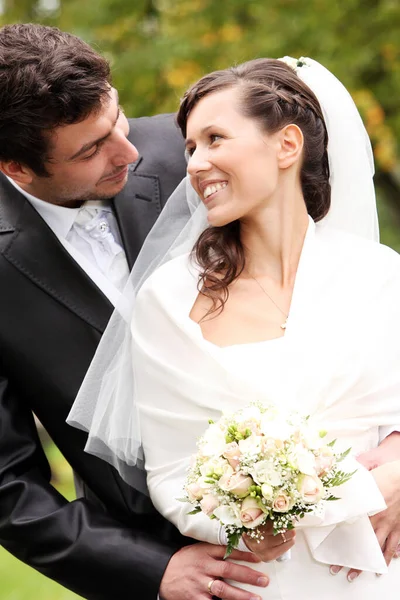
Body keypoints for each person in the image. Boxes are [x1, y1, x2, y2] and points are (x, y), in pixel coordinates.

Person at [69, 57, 400, 599]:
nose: (197, 163)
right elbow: (172, 474)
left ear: (287, 145)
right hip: (264, 579)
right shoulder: (170, 301)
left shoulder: (381, 274)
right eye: (191, 148)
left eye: (215, 138)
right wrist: (240, 521)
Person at [0, 23, 269, 600]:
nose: (130, 150)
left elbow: (343, 301)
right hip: (169, 563)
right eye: (91, 149)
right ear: (16, 169)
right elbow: (7, 484)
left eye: (115, 118)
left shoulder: (199, 153)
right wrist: (151, 570)